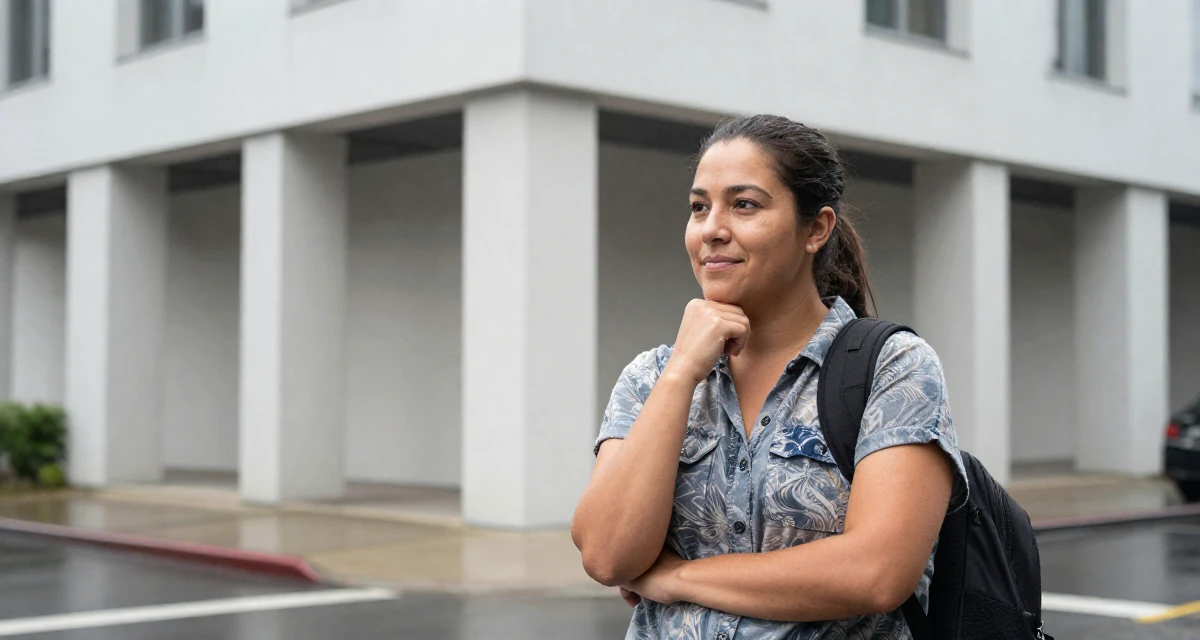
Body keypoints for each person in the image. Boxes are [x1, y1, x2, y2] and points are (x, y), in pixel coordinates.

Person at [570, 114, 970, 639]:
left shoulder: (892, 369)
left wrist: (678, 576)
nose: (712, 228)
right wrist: (682, 374)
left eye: (744, 204)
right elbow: (606, 554)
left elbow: (876, 572)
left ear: (816, 229)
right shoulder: (651, 376)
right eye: (698, 207)